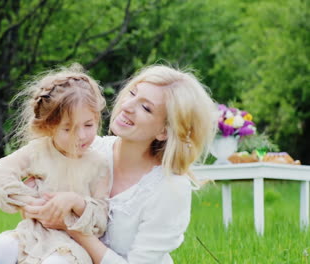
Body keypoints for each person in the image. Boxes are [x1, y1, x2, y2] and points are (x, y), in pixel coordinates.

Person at [24, 65, 217, 263]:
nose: (127, 106)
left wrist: (73, 228)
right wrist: (33, 202)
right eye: (132, 93)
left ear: (164, 131)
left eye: (146, 107)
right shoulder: (90, 150)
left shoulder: (170, 188)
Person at [0, 64, 111, 264]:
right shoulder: (39, 151)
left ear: (97, 119)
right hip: (34, 234)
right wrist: (31, 201)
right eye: (68, 129)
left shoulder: (99, 164)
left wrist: (76, 201)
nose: (81, 136)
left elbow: (101, 219)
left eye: (88, 125)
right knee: (2, 247)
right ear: (49, 126)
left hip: (72, 245)